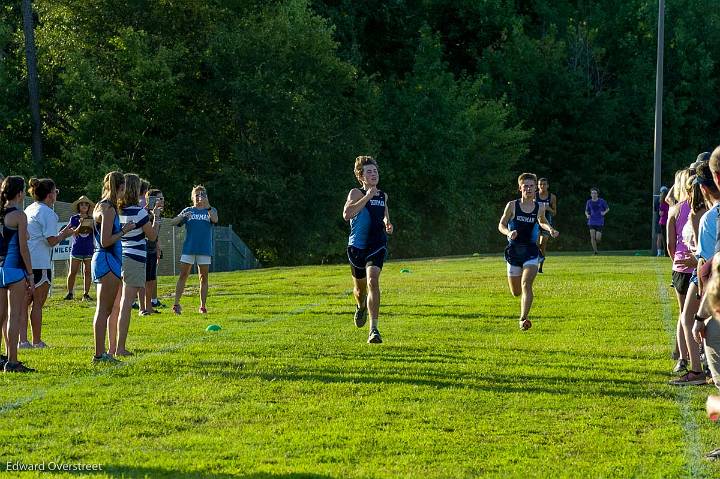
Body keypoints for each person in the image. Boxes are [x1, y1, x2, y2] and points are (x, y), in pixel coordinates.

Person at [671, 162, 719, 385]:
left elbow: (707, 262)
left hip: (703, 275)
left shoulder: (708, 217)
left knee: (691, 319)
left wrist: (702, 286)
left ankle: (700, 370)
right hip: (702, 273)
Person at [106, 174, 161, 356]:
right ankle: (120, 348)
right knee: (126, 305)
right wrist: (157, 217)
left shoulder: (115, 209)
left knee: (114, 305)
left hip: (117, 257)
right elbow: (152, 236)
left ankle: (112, 346)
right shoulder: (139, 212)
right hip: (134, 259)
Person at [498, 173, 559, 331]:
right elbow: (501, 224)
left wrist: (550, 229)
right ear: (520, 188)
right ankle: (521, 311)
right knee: (516, 292)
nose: (529, 188)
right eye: (526, 186)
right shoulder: (512, 205)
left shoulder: (539, 206)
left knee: (527, 284)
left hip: (531, 250)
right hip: (514, 252)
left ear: (535, 188)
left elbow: (542, 221)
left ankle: (523, 318)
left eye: (532, 186)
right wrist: (508, 233)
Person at [343, 156, 394, 344]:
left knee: (373, 280)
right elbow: (347, 214)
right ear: (361, 176)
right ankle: (360, 306)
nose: (374, 174)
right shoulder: (356, 193)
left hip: (377, 243)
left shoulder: (383, 195)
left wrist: (388, 224)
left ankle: (374, 330)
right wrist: (367, 196)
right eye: (369, 172)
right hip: (357, 246)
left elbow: (384, 215)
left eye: (375, 171)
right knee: (359, 290)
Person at [20, 178, 74, 349]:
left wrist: (61, 233)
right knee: (38, 303)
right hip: (40, 263)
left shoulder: (29, 208)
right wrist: (64, 235)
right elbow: (51, 241)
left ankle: (22, 340)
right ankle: (36, 341)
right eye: (56, 191)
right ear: (50, 195)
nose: (56, 195)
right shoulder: (48, 213)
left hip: (26, 261)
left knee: (23, 303)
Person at [91, 172, 134, 363]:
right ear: (119, 187)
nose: (124, 193)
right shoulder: (108, 209)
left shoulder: (101, 206)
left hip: (108, 260)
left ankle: (101, 353)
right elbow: (106, 240)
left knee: (105, 310)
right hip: (107, 260)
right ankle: (99, 354)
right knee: (103, 310)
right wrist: (125, 230)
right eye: (123, 188)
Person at [0, 176, 36, 372]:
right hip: (14, 269)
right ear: (20, 193)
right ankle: (12, 361)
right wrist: (30, 274)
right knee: (14, 316)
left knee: (0, 317)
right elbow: (23, 248)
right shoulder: (19, 215)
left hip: (0, 268)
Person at [167, 185, 218, 315]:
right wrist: (183, 216)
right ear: (192, 197)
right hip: (189, 248)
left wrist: (208, 206)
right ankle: (176, 304)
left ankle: (203, 306)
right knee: (183, 275)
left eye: (202, 195)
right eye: (196, 195)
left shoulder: (210, 210)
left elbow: (215, 219)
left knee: (203, 277)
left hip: (204, 249)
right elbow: (173, 222)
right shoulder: (189, 210)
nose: (199, 197)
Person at [666, 169, 693, 372]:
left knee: (683, 313)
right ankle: (696, 355)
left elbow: (669, 244)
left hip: (679, 266)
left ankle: (682, 357)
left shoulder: (674, 210)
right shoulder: (700, 209)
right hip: (696, 265)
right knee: (699, 314)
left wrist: (676, 260)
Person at [65, 195, 95, 301]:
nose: (84, 206)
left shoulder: (93, 218)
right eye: (82, 204)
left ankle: (85, 294)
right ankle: (70, 293)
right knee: (72, 272)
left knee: (88, 272)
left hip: (89, 249)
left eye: (86, 204)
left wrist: (92, 227)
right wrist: (80, 224)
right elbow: (74, 233)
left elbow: (97, 233)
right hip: (76, 248)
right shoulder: (74, 218)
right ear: (78, 206)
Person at [144, 188, 165, 314]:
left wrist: (158, 248)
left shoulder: (157, 213)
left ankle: (149, 305)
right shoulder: (146, 214)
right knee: (144, 280)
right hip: (143, 249)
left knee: (151, 279)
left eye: (163, 198)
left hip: (152, 249)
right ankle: (143, 307)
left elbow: (155, 235)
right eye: (159, 198)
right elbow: (149, 234)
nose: (162, 200)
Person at [535, 178, 557, 273]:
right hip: (535, 222)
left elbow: (554, 213)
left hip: (547, 223)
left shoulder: (552, 197)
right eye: (540, 184)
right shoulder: (534, 196)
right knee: (535, 244)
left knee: (542, 245)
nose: (542, 186)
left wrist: (548, 208)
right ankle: (534, 265)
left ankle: (540, 268)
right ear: (538, 186)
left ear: (548, 186)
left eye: (544, 184)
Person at [585, 187, 609, 255]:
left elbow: (607, 208)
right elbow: (586, 211)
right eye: (592, 193)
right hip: (591, 221)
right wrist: (587, 215)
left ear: (597, 194)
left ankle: (597, 245)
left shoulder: (602, 201)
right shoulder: (589, 202)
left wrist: (604, 212)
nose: (594, 194)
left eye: (595, 193)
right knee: (592, 237)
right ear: (591, 194)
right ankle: (595, 252)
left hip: (600, 221)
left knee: (597, 238)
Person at [656, 186, 669, 256]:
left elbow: (660, 214)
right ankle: (667, 252)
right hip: (667, 221)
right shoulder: (669, 203)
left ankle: (665, 253)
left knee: (664, 238)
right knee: (668, 237)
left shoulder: (661, 203)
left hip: (662, 222)